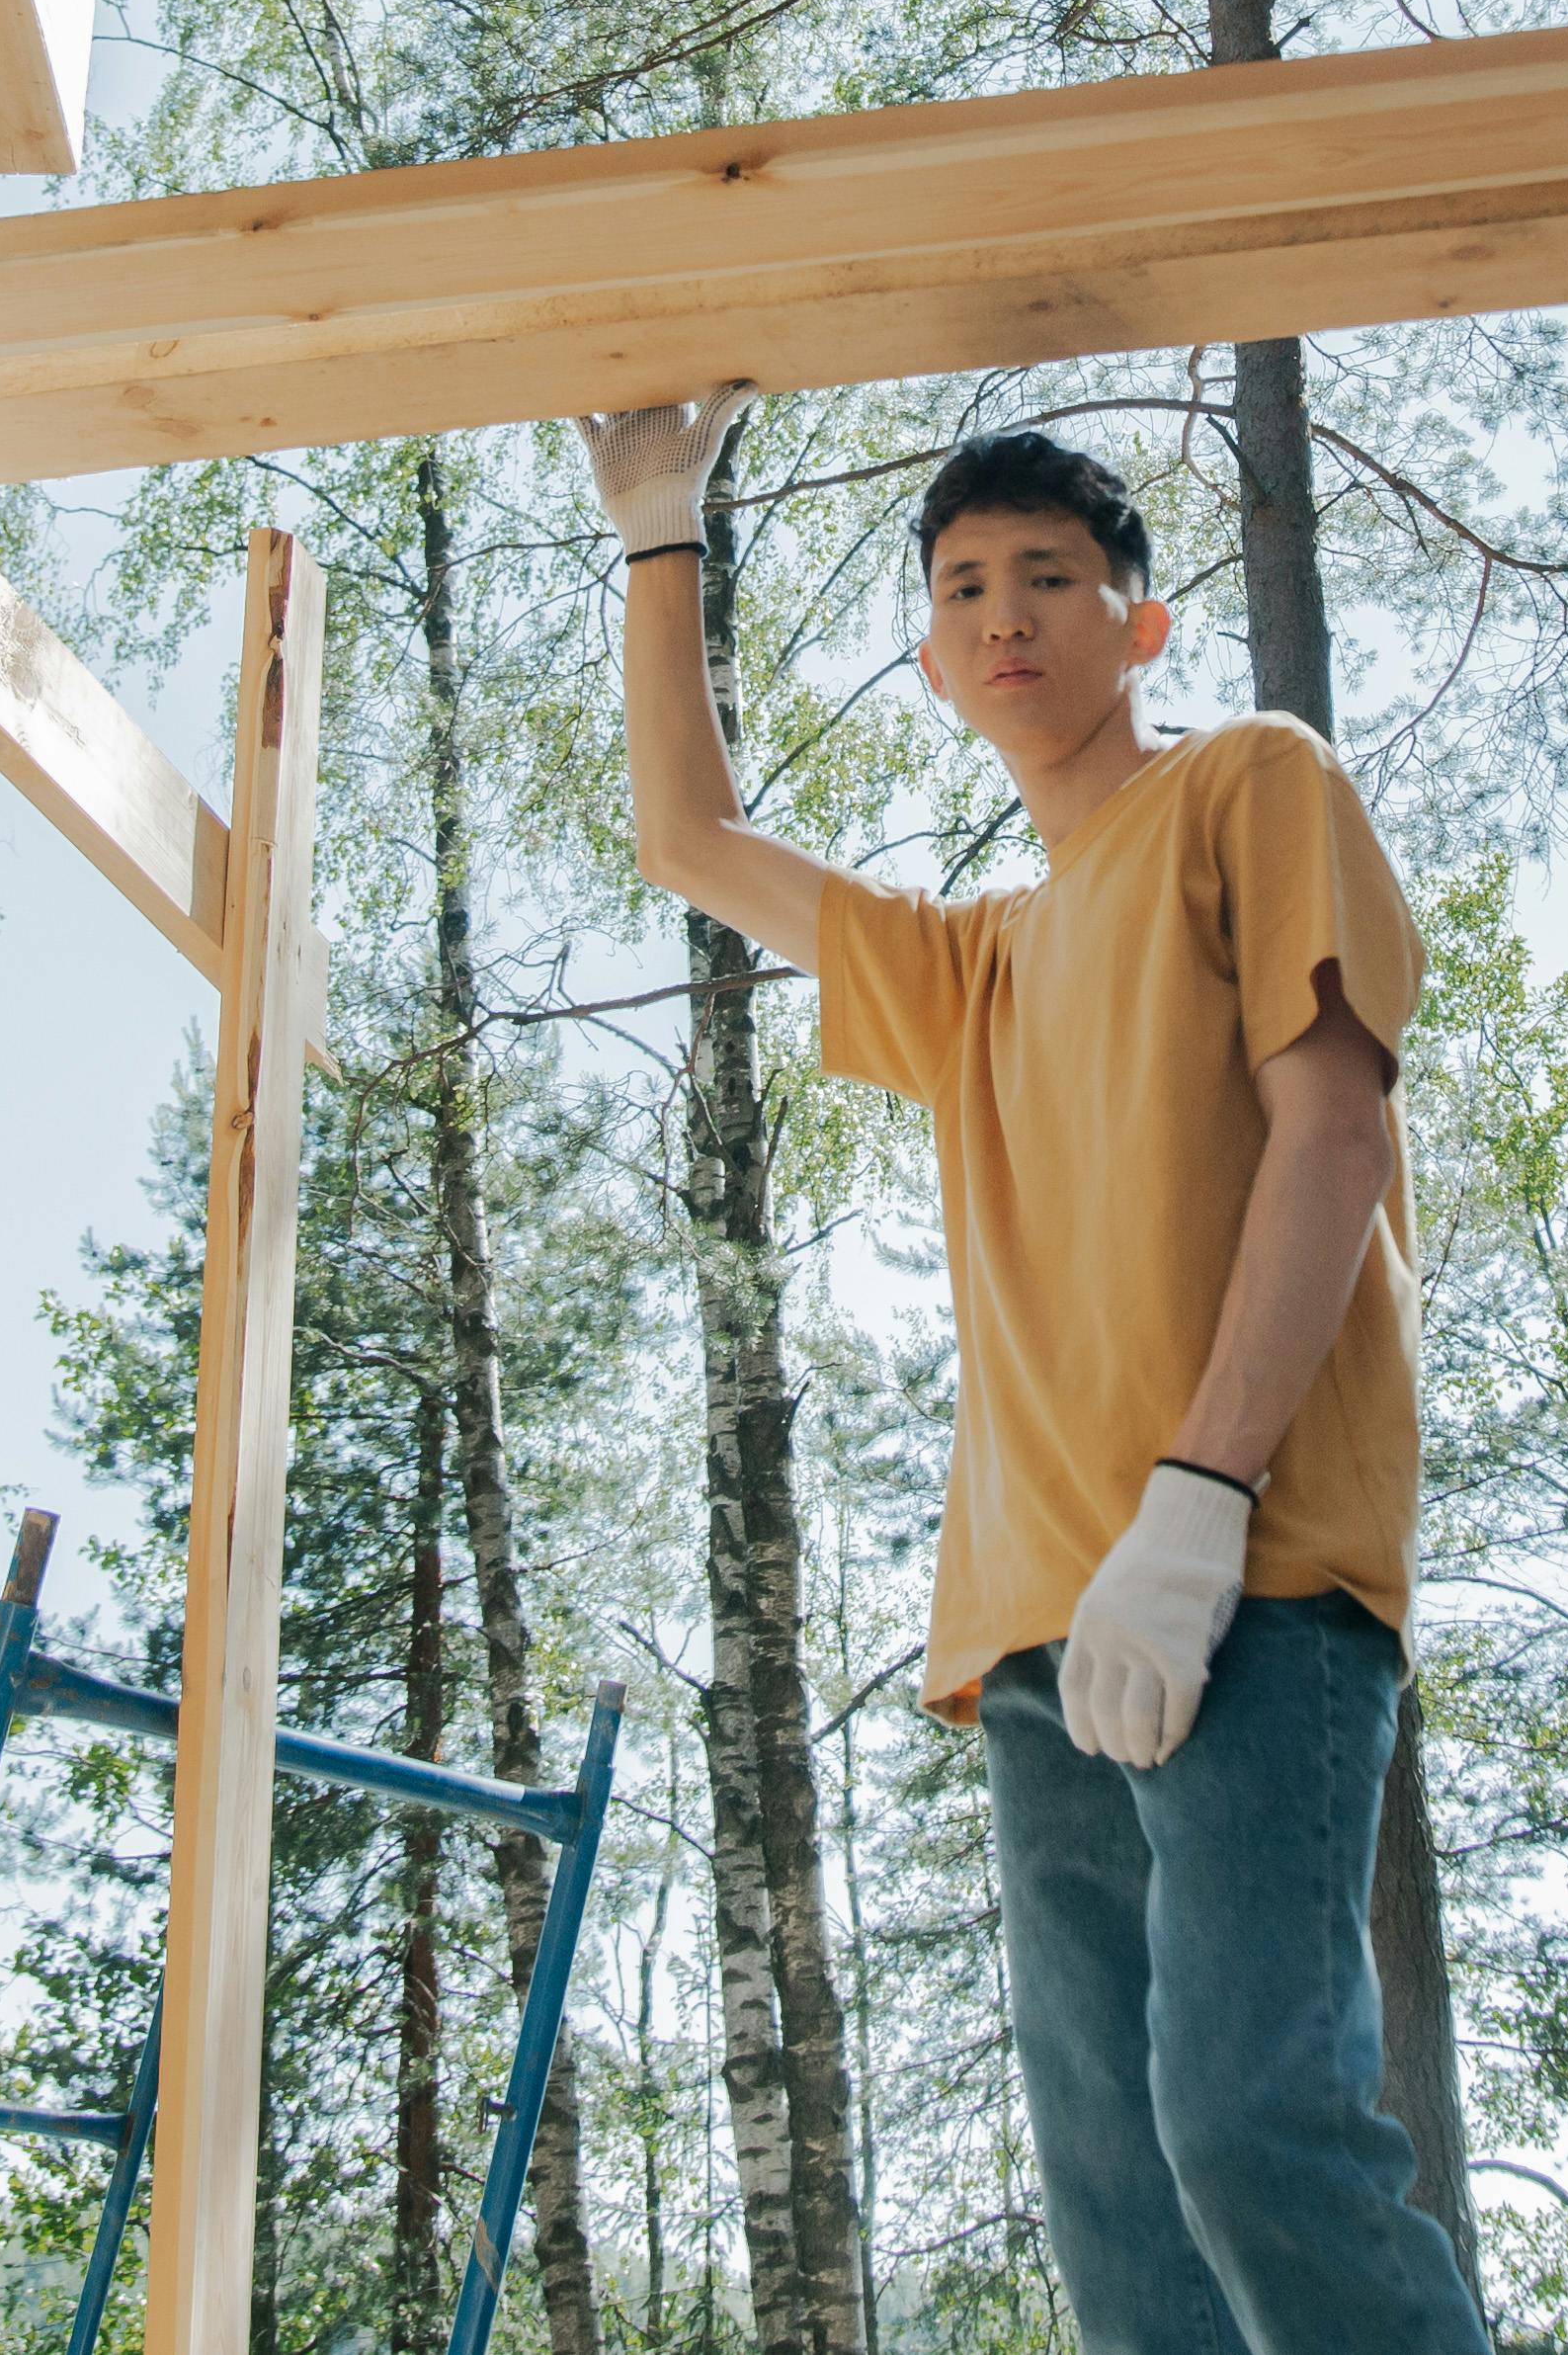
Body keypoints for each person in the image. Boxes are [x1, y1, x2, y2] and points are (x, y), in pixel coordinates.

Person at [571, 384, 1488, 2355]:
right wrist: (662, 532)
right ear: (929, 655)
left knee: (1253, 2131)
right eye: (963, 585)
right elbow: (686, 837)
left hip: (1247, 1576)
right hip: (1032, 1641)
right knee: (1123, 2224)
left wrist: (1202, 1493)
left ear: (1134, 623)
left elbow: (1330, 1139)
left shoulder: (1247, 785)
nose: (1004, 612)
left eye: (1050, 577)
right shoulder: (968, 963)